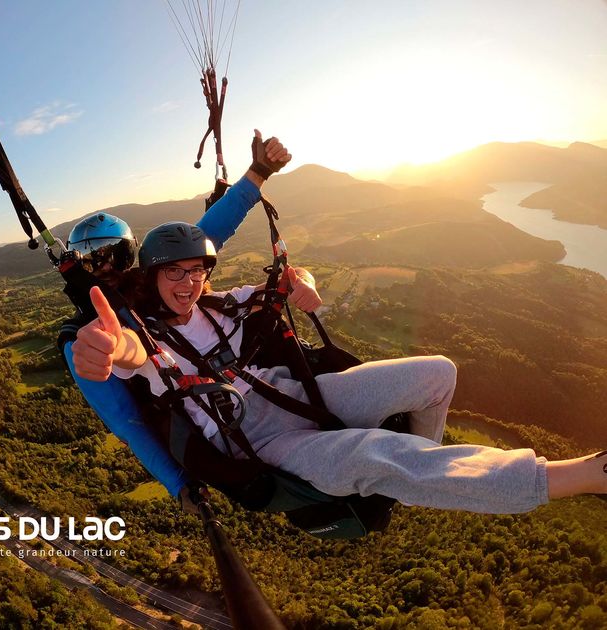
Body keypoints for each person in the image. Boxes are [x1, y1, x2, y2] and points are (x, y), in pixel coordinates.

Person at [72, 222, 607, 514]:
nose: (188, 284)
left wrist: (304, 281)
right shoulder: (144, 336)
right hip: (263, 444)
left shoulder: (219, 305)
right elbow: (129, 357)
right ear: (154, 276)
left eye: (197, 271)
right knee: (380, 454)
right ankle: (581, 476)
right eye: (175, 273)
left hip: (302, 395)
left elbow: (282, 280)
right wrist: (106, 348)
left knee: (437, 372)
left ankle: (428, 469)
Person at [58, 131, 291, 508]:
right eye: (93, 260)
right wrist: (179, 483)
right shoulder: (86, 334)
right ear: (80, 267)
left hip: (238, 393)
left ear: (129, 254)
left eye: (113, 255)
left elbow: (210, 232)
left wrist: (258, 174)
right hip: (199, 423)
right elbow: (125, 420)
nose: (105, 268)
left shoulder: (151, 279)